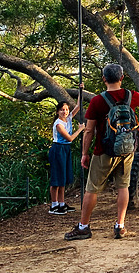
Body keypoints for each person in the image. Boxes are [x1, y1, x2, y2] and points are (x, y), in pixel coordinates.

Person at [64, 64, 139, 240]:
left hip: (103, 150)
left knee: (92, 189)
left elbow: (89, 130)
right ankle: (120, 225)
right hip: (127, 150)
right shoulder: (130, 95)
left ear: (104, 79)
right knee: (123, 187)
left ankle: (84, 227)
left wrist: (84, 154)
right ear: (122, 78)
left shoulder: (97, 101)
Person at [48, 87, 86, 215]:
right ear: (58, 111)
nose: (65, 112)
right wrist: (80, 129)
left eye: (66, 109)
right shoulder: (59, 124)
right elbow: (69, 138)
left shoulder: (68, 118)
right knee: (57, 178)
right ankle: (54, 205)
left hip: (65, 150)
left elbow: (79, 106)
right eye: (62, 110)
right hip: (58, 149)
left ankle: (62, 203)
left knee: (63, 177)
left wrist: (80, 91)